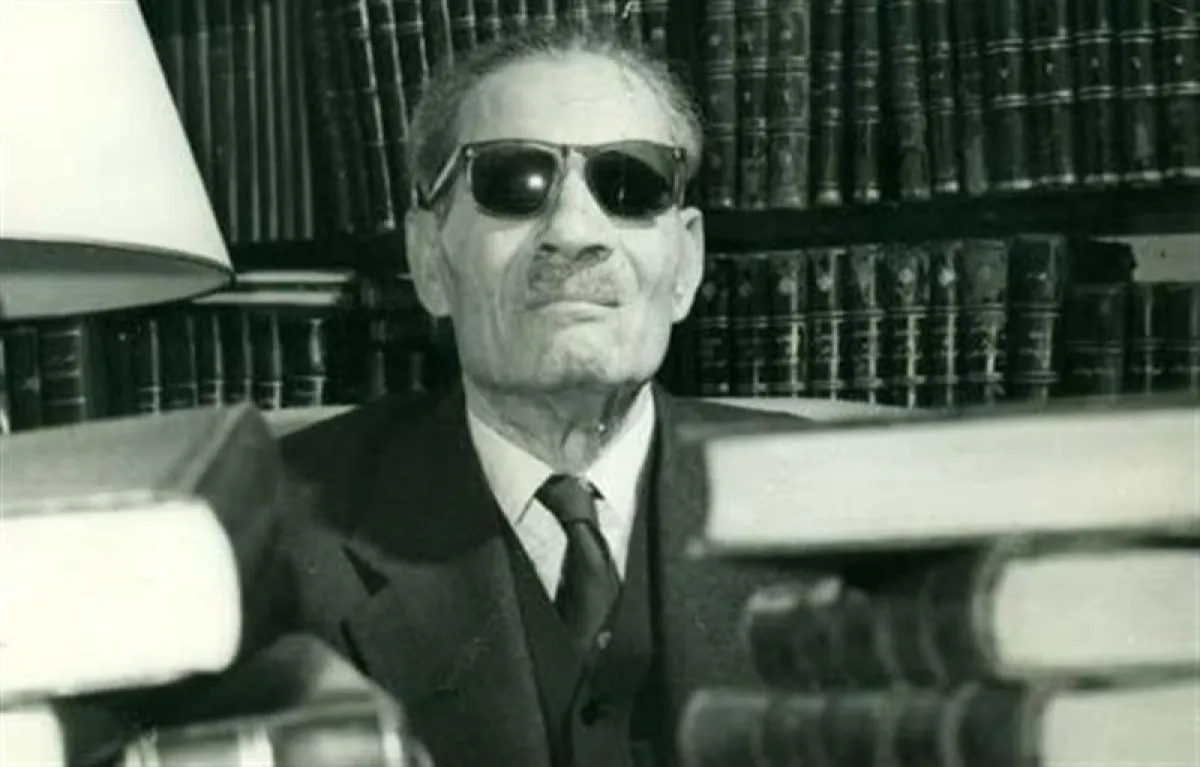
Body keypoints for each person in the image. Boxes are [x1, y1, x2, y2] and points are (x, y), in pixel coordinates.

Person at [277, 25, 805, 767]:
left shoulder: (833, 503)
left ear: (686, 263)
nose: (575, 231)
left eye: (631, 186)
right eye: (513, 184)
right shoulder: (275, 535)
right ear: (429, 261)